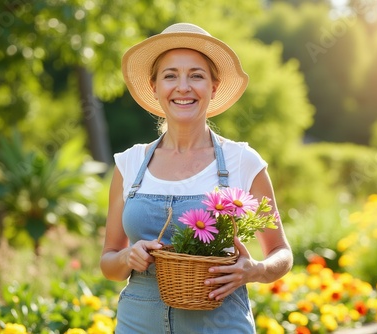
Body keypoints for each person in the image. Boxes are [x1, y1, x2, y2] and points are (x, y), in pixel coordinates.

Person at [100, 22, 293, 333]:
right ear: (155, 87)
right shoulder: (129, 163)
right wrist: (127, 257)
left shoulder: (242, 161)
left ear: (213, 88)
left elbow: (280, 252)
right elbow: (108, 262)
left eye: (197, 75)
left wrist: (254, 270)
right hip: (138, 323)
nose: (183, 87)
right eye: (171, 75)